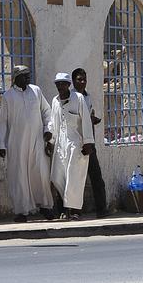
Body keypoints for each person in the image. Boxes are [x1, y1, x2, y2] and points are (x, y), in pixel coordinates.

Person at [0, 65, 56, 223]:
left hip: (37, 140)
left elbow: (46, 112)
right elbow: (2, 122)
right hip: (17, 143)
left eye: (29, 75)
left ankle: (45, 207)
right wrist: (0, 144)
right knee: (19, 176)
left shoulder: (36, 91)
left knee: (41, 174)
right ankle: (22, 211)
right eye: (24, 76)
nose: (28, 79)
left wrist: (47, 130)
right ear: (16, 78)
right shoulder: (8, 96)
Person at [49, 71, 95, 221]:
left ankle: (75, 210)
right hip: (60, 145)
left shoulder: (79, 99)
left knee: (74, 178)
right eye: (58, 84)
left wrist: (88, 142)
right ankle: (64, 208)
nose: (60, 87)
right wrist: (50, 141)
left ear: (69, 85)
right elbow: (53, 123)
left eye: (63, 84)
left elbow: (86, 121)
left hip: (76, 144)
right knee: (57, 177)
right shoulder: (55, 101)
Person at [70, 68, 107, 218]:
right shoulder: (71, 98)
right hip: (76, 143)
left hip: (89, 143)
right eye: (79, 79)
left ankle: (102, 210)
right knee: (75, 179)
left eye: (84, 79)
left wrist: (92, 120)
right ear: (73, 81)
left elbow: (87, 117)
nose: (83, 82)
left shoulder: (87, 97)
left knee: (96, 178)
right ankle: (74, 211)